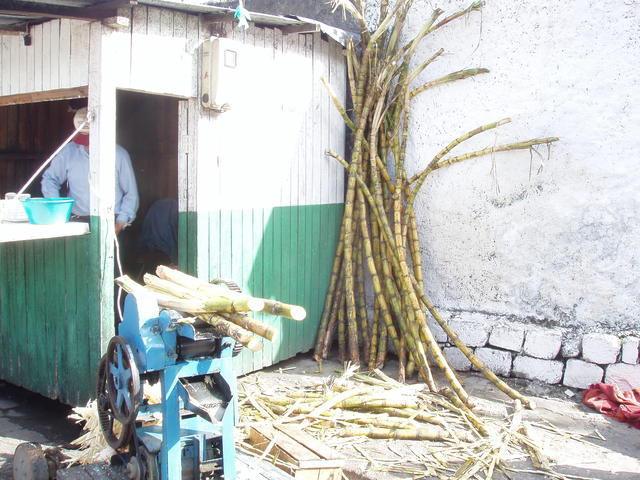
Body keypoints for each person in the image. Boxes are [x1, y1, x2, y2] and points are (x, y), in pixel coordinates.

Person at [41, 107, 139, 234]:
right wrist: (58, 210)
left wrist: (120, 223)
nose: (86, 144)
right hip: (77, 221)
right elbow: (50, 179)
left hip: (111, 221)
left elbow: (131, 194)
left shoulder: (119, 155)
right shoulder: (68, 152)